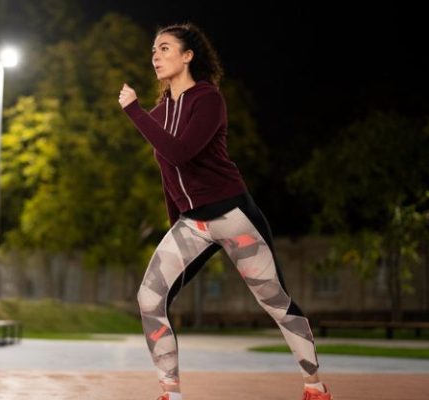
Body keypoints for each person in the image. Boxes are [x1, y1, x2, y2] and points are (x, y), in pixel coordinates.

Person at [118, 23, 333, 400]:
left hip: (234, 216)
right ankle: (171, 392)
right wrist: (176, 228)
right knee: (149, 300)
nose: (155, 55)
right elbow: (169, 172)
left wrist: (134, 112)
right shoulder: (161, 110)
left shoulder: (208, 99)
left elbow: (181, 151)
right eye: (153, 50)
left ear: (188, 56)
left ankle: (314, 386)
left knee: (276, 302)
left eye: (165, 48)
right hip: (192, 225)